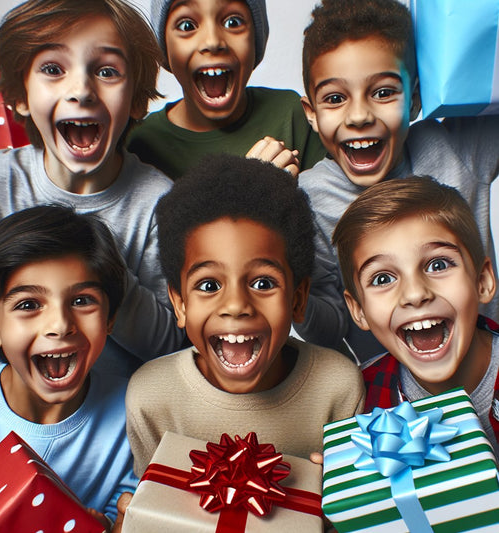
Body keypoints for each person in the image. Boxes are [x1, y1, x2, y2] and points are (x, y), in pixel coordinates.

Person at [0, 0, 185, 376]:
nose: (81, 90)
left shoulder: (158, 203)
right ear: (19, 95)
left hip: (119, 421)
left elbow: (169, 348)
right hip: (17, 416)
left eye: (106, 71)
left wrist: (104, 265)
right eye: (53, 69)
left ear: (135, 99)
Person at [125, 154, 365, 477]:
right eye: (209, 285)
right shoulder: (150, 398)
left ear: (298, 299)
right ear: (180, 303)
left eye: (263, 283)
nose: (236, 305)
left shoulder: (339, 389)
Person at [297, 0, 499, 363]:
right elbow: (329, 327)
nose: (359, 115)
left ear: (415, 98)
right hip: (396, 400)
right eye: (335, 98)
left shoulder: (456, 148)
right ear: (311, 114)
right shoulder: (306, 203)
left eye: (383, 92)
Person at [0, 205, 140, 530]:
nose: (60, 325)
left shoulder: (138, 415)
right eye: (29, 305)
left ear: (110, 317)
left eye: (82, 300)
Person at [332, 177, 498, 456]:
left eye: (437, 264)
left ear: (482, 281)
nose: (414, 294)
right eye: (383, 278)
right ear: (359, 310)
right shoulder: (357, 402)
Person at [126, 0, 326, 180]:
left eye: (233, 22)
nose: (212, 42)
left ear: (255, 39)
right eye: (187, 25)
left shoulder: (293, 115)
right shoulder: (141, 143)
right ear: (164, 47)